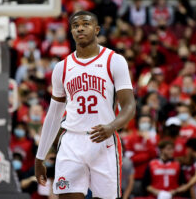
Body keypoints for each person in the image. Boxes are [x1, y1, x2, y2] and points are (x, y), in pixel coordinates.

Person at [35, 11, 136, 199]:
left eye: (85, 24)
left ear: (97, 29)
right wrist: (40, 156)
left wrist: (111, 127)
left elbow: (129, 106)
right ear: (71, 31)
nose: (80, 28)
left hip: (103, 140)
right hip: (71, 141)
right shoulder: (62, 68)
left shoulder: (114, 60)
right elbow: (54, 115)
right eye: (75, 25)